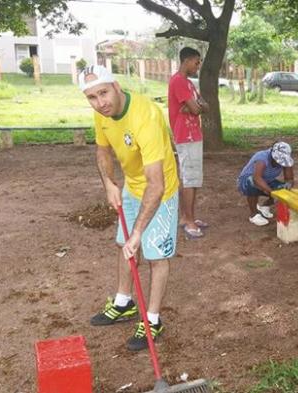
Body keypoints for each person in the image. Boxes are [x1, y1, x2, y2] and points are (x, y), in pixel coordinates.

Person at [80, 65, 180, 351]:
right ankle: (124, 303)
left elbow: (156, 185)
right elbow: (102, 150)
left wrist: (139, 232)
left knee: (154, 255)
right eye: (92, 97)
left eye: (103, 93)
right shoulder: (102, 114)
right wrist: (110, 184)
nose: (100, 102)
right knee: (124, 245)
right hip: (133, 187)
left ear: (116, 86)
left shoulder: (145, 116)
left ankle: (152, 320)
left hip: (161, 191)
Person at [168, 47, 210, 239]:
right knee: (189, 179)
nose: (198, 66)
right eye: (196, 62)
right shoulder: (178, 81)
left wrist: (194, 107)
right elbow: (196, 108)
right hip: (185, 136)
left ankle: (187, 217)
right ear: (186, 61)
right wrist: (193, 107)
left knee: (193, 178)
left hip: (193, 135)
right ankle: (189, 221)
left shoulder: (189, 84)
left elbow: (204, 106)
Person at [237, 142, 295, 226]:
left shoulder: (286, 160)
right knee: (252, 183)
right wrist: (271, 192)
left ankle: (264, 207)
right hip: (246, 181)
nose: (279, 162)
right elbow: (257, 178)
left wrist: (287, 186)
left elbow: (289, 179)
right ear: (272, 154)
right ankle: (254, 214)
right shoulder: (262, 158)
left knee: (282, 188)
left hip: (267, 180)